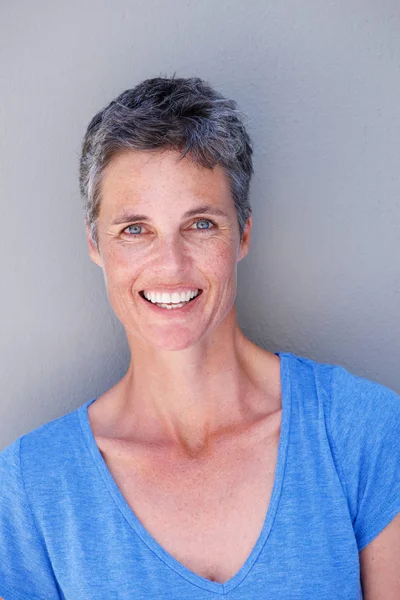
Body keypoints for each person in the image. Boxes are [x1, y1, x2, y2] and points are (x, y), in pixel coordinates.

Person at [0, 76, 399, 600]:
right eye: (135, 229)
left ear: (244, 233)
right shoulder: (32, 486)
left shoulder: (360, 430)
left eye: (202, 224)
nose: (171, 265)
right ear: (95, 244)